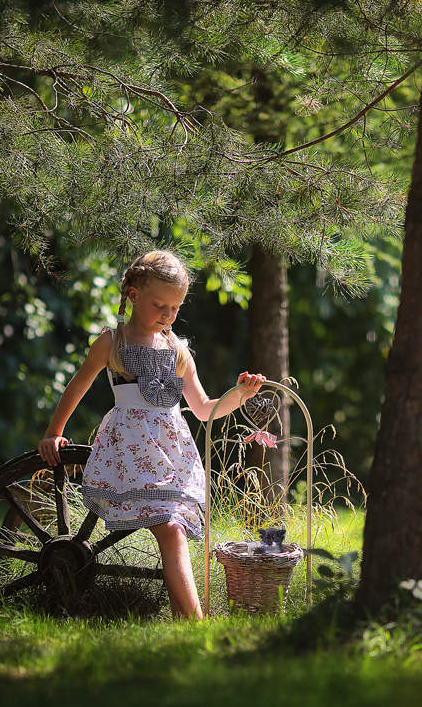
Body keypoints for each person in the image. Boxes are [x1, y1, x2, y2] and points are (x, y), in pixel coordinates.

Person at [38, 250, 265, 620]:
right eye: (160, 304)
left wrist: (239, 394)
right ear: (133, 295)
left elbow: (205, 408)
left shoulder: (177, 351)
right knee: (172, 532)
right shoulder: (113, 343)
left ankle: (183, 629)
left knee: (173, 532)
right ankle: (195, 625)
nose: (168, 314)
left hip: (173, 457)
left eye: (175, 307)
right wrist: (53, 432)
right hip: (132, 453)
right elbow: (78, 386)